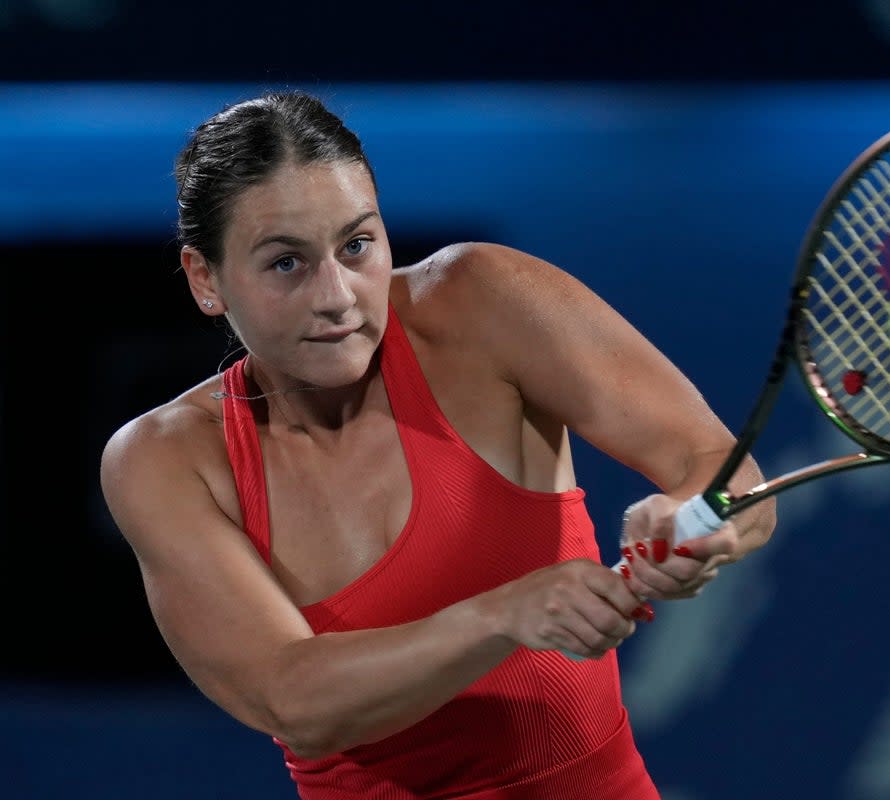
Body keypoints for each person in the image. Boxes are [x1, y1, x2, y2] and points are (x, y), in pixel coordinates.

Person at [99, 89, 776, 799]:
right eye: (286, 264)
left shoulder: (483, 302)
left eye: (356, 244)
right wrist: (501, 614)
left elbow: (727, 476)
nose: (337, 294)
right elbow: (293, 701)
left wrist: (698, 525)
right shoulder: (167, 460)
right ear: (206, 279)